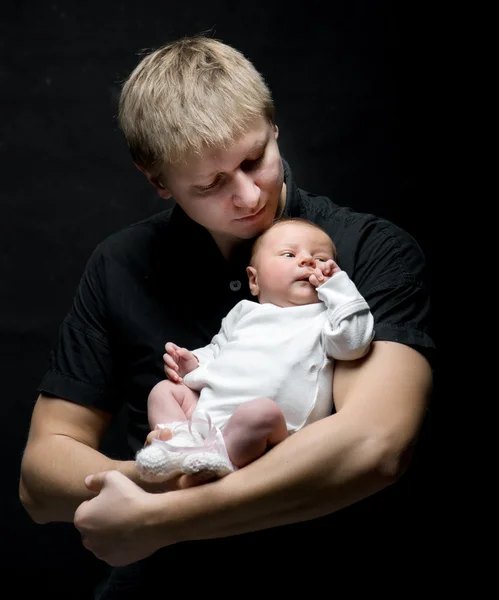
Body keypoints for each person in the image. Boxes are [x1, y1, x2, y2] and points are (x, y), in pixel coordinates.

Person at [19, 35, 435, 592]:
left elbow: (376, 446)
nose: (248, 195)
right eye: (211, 183)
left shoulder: (370, 251)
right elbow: (40, 479)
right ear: (157, 180)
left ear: (274, 126)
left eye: (254, 158)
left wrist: (158, 518)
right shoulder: (119, 265)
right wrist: (156, 477)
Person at [136, 217, 374, 482]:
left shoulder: (325, 318)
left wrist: (339, 289)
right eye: (289, 254)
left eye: (321, 259)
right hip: (208, 416)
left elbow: (354, 344)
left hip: (271, 434)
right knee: (165, 391)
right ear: (254, 280)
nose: (308, 261)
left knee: (260, 412)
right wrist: (192, 362)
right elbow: (218, 351)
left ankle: (217, 461)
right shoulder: (243, 313)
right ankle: (177, 444)